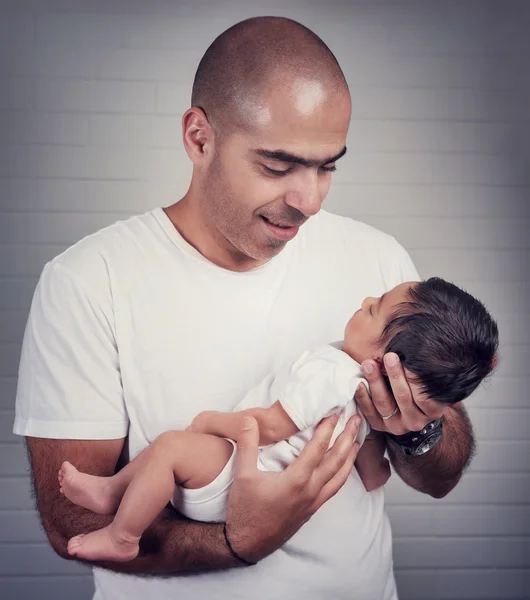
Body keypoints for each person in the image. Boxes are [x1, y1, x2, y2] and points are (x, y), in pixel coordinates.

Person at [13, 16, 477, 600]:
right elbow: (70, 522)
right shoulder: (87, 283)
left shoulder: (380, 263)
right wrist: (240, 543)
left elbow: (439, 474)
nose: (309, 200)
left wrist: (418, 432)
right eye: (278, 166)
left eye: (328, 165)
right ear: (198, 138)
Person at [58, 277, 498, 563]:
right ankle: (112, 491)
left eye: (374, 309)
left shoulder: (330, 369)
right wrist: (381, 460)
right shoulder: (362, 406)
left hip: (242, 479)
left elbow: (266, 427)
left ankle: (123, 534)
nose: (364, 300)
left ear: (387, 360)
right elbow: (370, 473)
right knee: (166, 454)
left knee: (171, 448)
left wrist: (210, 421)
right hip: (263, 486)